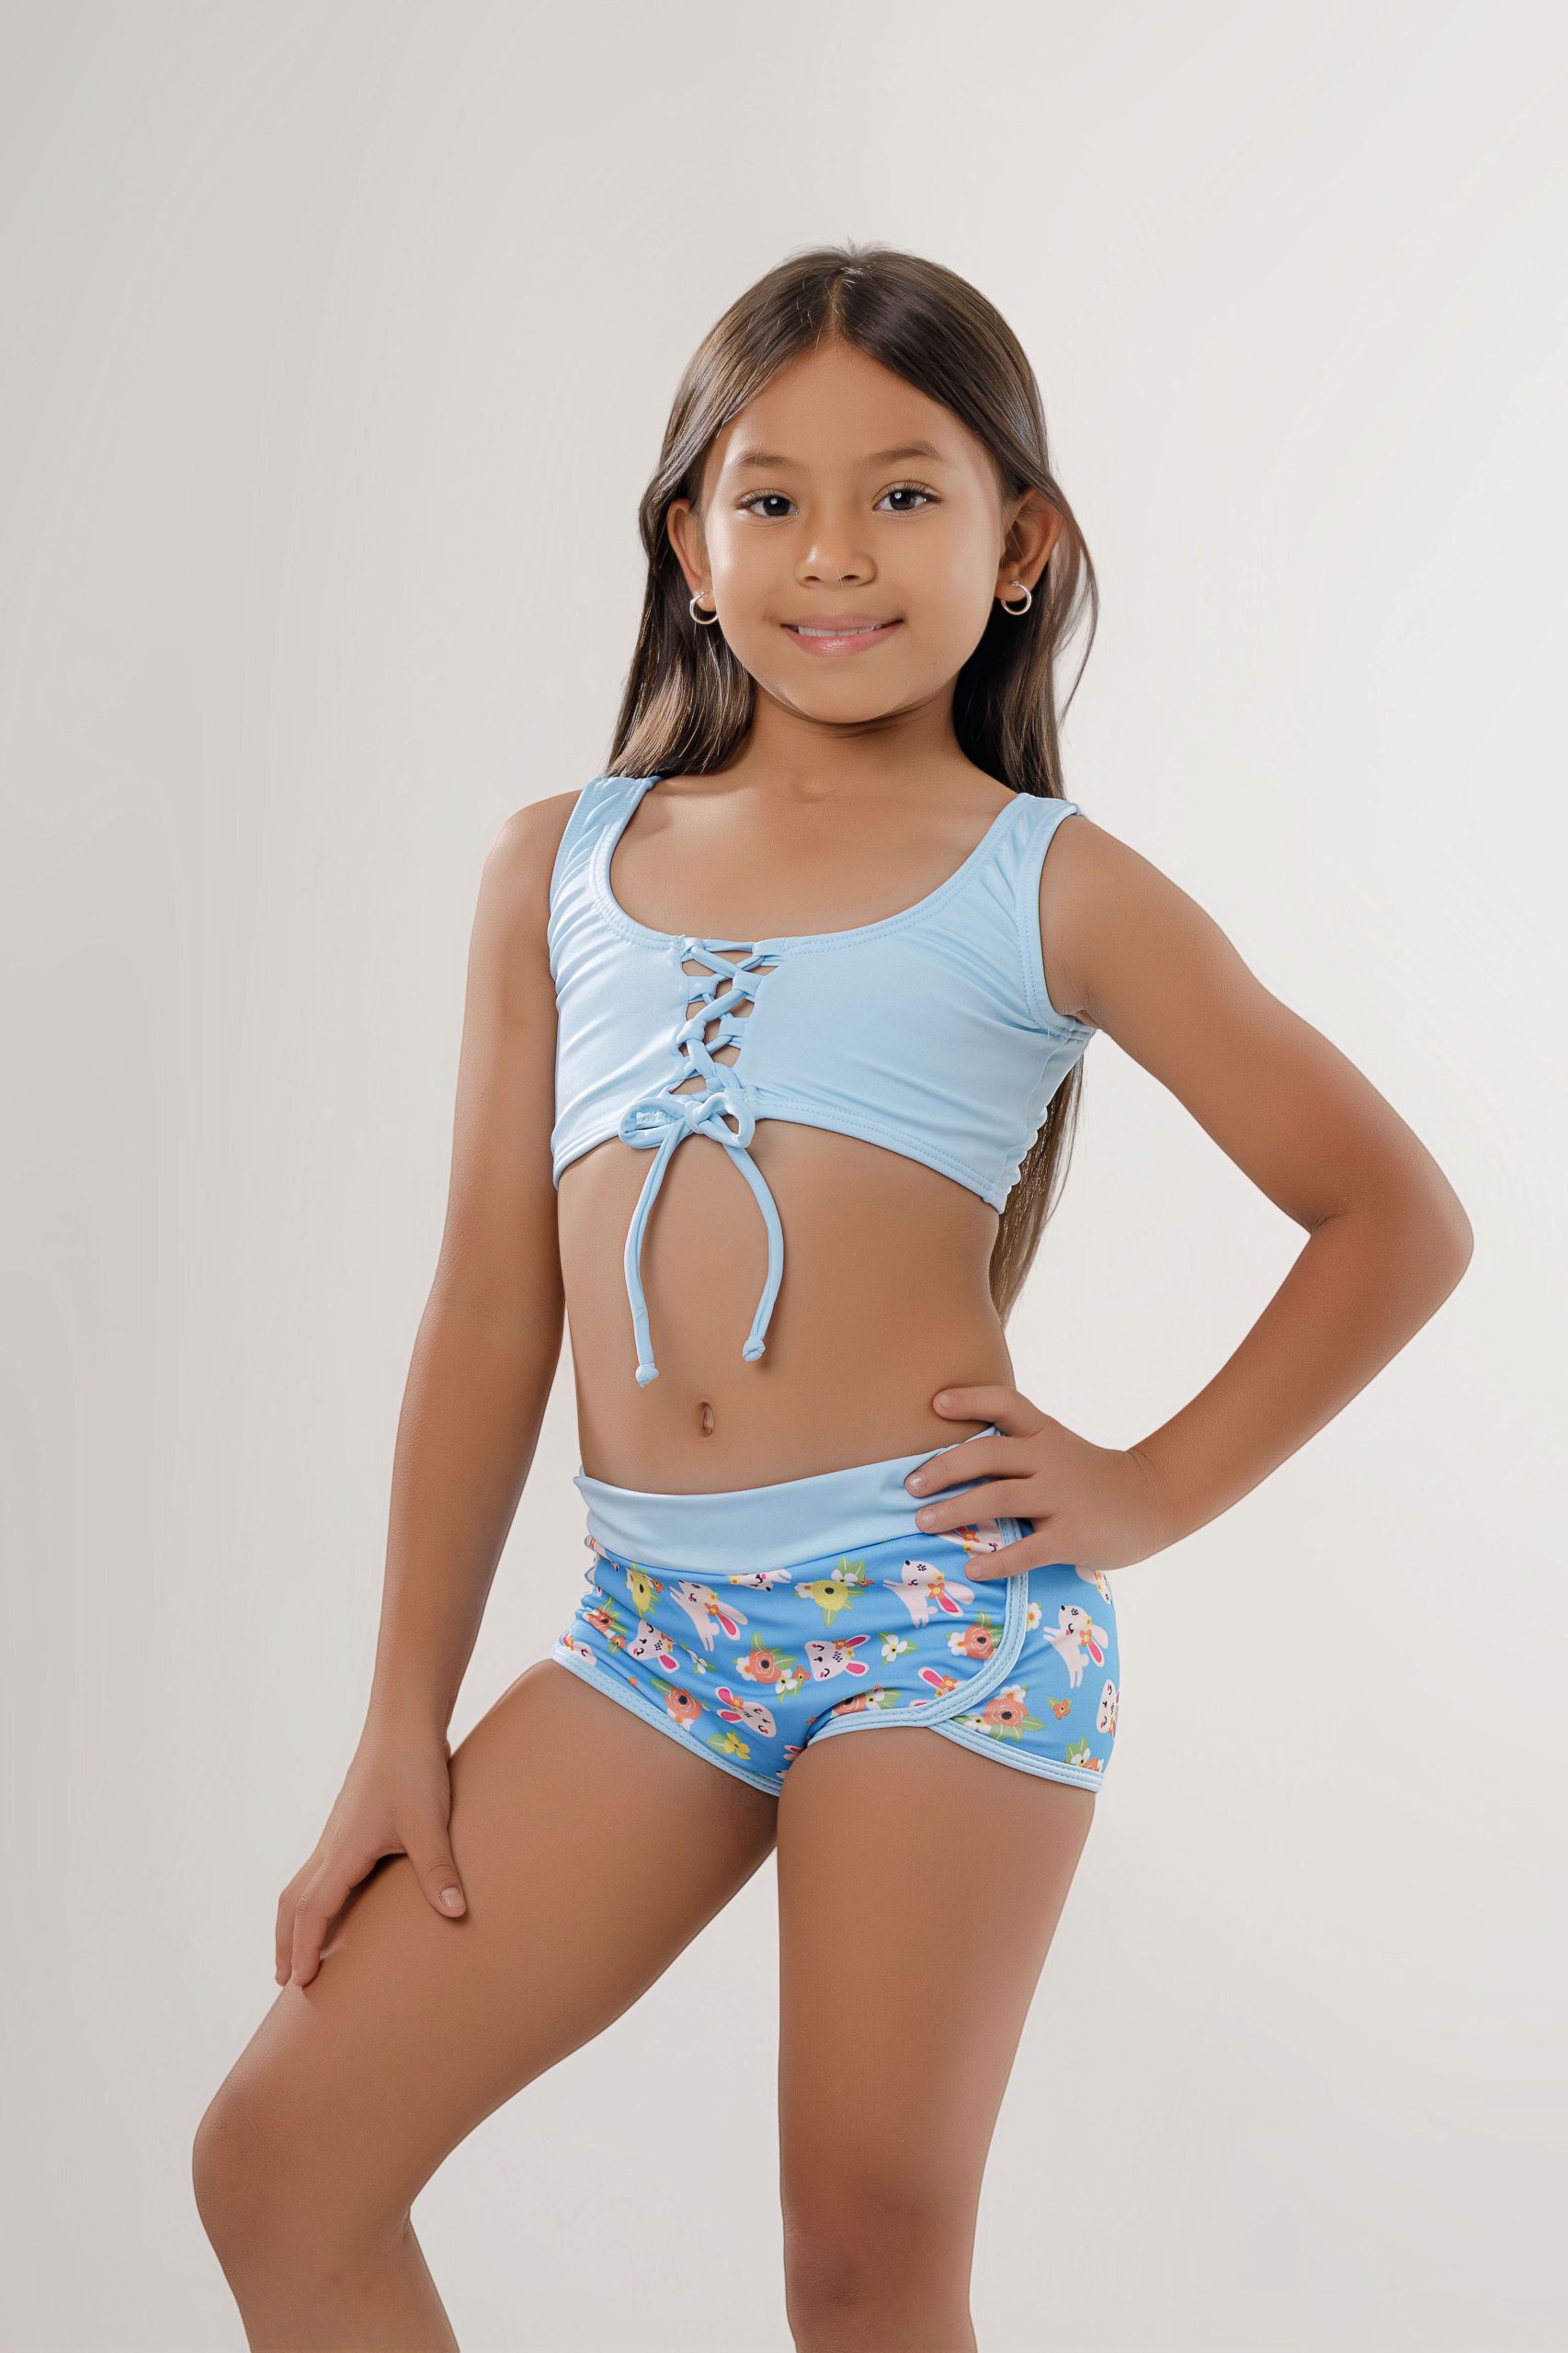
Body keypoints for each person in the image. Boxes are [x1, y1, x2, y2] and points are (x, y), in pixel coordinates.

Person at [192, 241, 1472, 2351]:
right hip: (652, 1634)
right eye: (770, 496)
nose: (835, 552)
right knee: (279, 2159)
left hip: (937, 1622)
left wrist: (1145, 1486)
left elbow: (1390, 1213)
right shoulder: (555, 867)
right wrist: (397, 1723)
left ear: (1021, 544)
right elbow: (491, 1314)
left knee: (862, 2257)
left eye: (903, 492)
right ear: (686, 544)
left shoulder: (1051, 884)